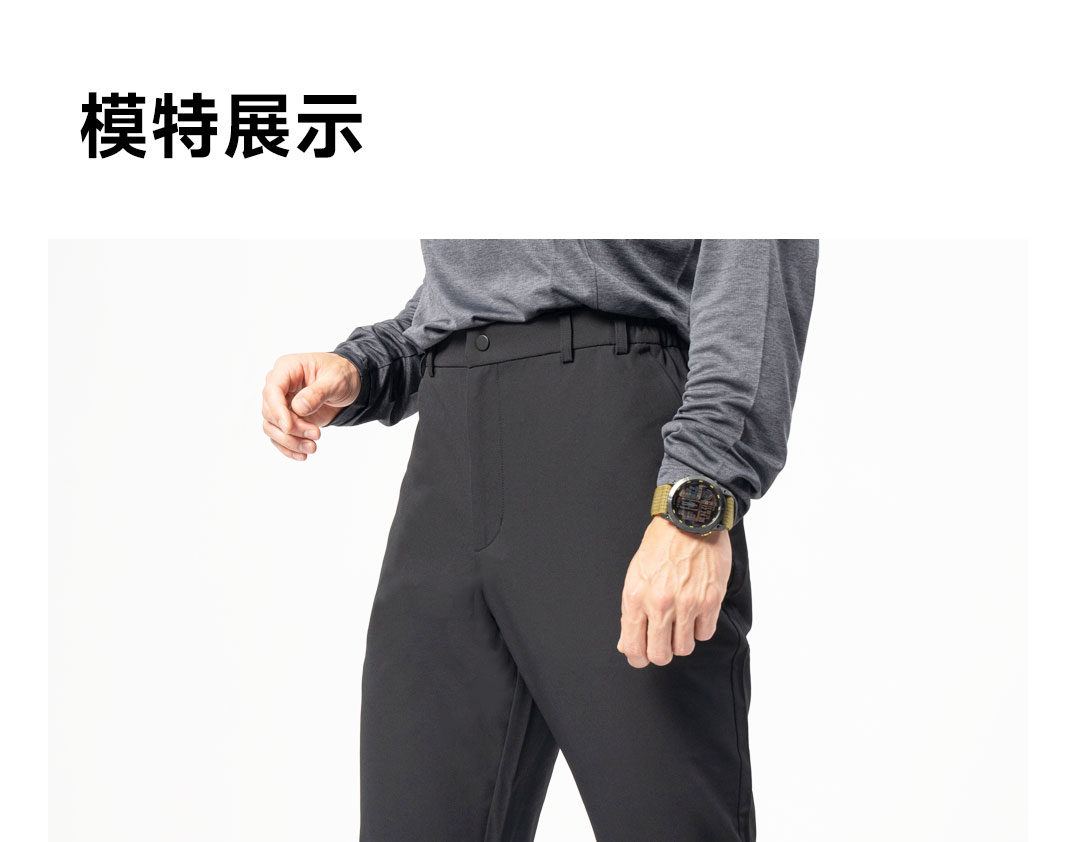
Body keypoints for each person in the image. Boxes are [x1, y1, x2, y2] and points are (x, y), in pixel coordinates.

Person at [260, 240, 817, 842]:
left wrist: (698, 502)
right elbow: (494, 280)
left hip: (611, 444)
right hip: (446, 461)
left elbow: (750, 261)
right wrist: (368, 364)